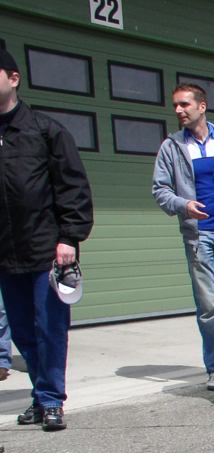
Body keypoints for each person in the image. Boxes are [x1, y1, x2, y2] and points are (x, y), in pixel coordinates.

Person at [0, 49, 93, 431]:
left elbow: (73, 187)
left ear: (13, 79)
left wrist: (69, 236)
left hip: (47, 250)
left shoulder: (45, 130)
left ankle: (52, 399)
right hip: (6, 253)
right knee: (22, 332)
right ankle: (41, 397)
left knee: (49, 328)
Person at [153, 83, 214, 392]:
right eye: (176, 105)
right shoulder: (172, 147)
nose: (178, 110)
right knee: (208, 307)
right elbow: (160, 189)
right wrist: (183, 205)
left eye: (184, 104)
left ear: (202, 106)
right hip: (198, 235)